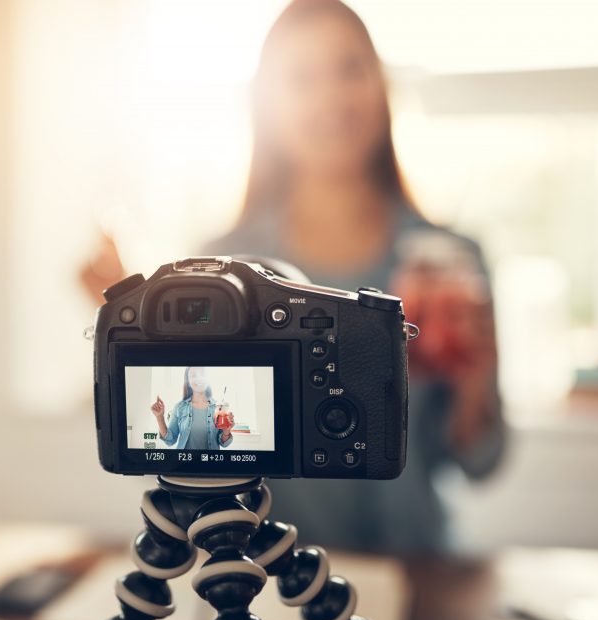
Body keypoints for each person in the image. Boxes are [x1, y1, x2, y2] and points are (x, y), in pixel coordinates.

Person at [83, 0, 504, 552]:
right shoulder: (222, 266)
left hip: (419, 566)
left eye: (349, 69)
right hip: (267, 577)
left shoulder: (450, 263)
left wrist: (477, 374)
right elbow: (192, 448)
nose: (331, 97)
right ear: (269, 106)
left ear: (381, 86)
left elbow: (480, 460)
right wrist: (130, 329)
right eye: (301, 78)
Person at [152, 367, 235, 451]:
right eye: (193, 375)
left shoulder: (218, 408)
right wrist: (159, 417)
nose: (198, 378)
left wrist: (226, 431)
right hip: (184, 462)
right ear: (188, 381)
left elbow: (223, 443)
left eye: (202, 374)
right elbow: (170, 441)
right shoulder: (179, 407)